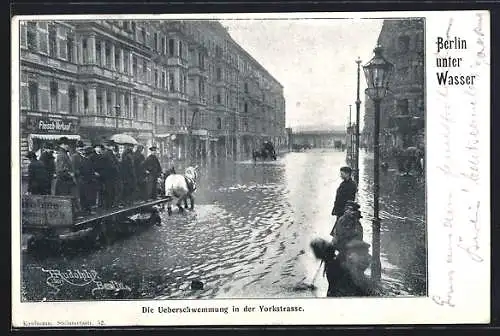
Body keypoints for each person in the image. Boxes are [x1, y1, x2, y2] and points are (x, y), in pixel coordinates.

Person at [77, 146, 98, 215]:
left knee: (84, 197)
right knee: (89, 197)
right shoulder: (87, 161)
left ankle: (85, 211)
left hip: (82, 181)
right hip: (88, 181)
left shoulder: (82, 160)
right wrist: (94, 175)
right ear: (89, 154)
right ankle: (89, 211)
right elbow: (88, 172)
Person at [101, 140, 120, 209]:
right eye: (112, 146)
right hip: (109, 175)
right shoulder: (108, 154)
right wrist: (117, 166)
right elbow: (112, 164)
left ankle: (109, 205)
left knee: (110, 191)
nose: (113, 147)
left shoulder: (109, 153)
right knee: (109, 191)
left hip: (109, 175)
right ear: (109, 146)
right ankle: (108, 206)